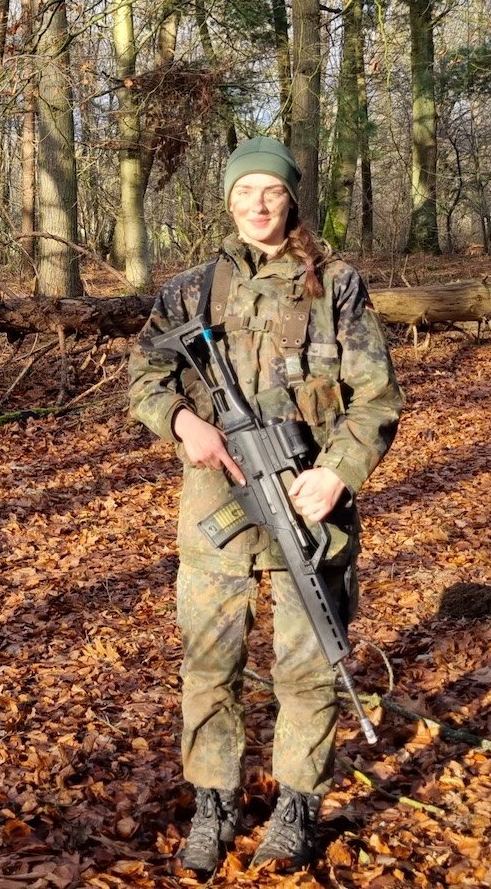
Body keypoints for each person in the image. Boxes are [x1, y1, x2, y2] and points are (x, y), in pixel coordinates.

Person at [126, 136, 404, 877]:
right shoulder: (190, 291)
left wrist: (338, 473)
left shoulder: (335, 285)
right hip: (216, 509)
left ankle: (296, 807)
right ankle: (213, 802)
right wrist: (183, 423)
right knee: (208, 666)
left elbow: (376, 396)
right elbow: (143, 376)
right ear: (228, 199)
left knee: (310, 665)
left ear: (290, 199)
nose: (257, 204)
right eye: (245, 191)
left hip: (311, 510)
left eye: (271, 192)